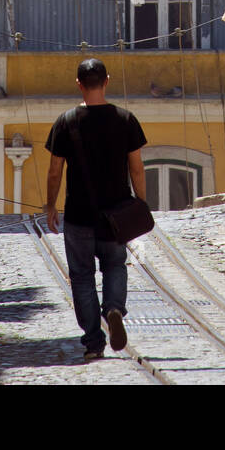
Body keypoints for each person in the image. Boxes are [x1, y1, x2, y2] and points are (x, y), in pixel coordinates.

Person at [45, 58, 148, 361]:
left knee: (81, 276)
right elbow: (137, 168)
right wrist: (141, 204)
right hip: (116, 217)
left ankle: (93, 342)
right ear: (107, 81)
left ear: (78, 84)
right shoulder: (125, 120)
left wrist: (51, 205)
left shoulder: (66, 122)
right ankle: (114, 307)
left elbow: (54, 171)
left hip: (79, 215)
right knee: (115, 265)